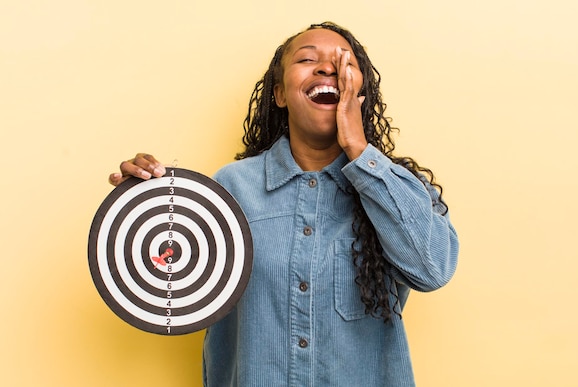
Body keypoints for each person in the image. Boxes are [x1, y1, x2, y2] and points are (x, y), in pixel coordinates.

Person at [109, 21, 459, 387]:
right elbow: (166, 279)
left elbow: (432, 270)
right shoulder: (230, 188)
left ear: (360, 93)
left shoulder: (398, 189)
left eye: (343, 63)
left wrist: (359, 149)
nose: (327, 68)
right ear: (279, 94)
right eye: (308, 59)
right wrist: (141, 202)